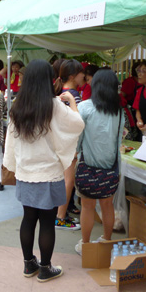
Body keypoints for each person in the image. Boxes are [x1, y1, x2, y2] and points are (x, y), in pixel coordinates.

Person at [3, 60, 84, 282]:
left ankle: (29, 265)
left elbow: (11, 141)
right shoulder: (55, 105)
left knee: (28, 219)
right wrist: (70, 102)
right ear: (50, 81)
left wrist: (13, 164)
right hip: (49, 174)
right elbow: (77, 124)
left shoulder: (18, 106)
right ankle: (46, 268)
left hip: (26, 174)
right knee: (47, 222)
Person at [74, 69, 123, 256]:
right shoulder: (119, 112)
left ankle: (85, 244)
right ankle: (106, 241)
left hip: (87, 166)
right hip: (110, 168)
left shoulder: (85, 107)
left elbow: (78, 137)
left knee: (86, 206)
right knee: (107, 205)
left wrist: (75, 153)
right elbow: (118, 141)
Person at [53, 59, 85, 228]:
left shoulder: (59, 91)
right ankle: (60, 217)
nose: (83, 76)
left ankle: (59, 214)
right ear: (73, 76)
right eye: (81, 73)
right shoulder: (73, 95)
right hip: (69, 145)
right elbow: (78, 120)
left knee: (62, 180)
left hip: (59, 143)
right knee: (68, 181)